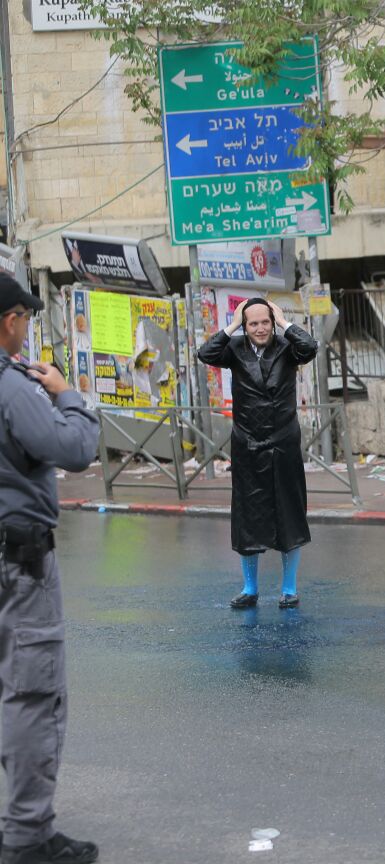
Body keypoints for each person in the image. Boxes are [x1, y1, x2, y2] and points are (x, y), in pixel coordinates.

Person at [0, 274, 101, 864]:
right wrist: (67, 395)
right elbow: (74, 449)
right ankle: (27, 838)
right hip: (18, 562)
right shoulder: (13, 387)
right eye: (26, 319)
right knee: (31, 696)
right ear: (11, 320)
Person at [197, 298, 318, 610]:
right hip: (248, 445)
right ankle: (249, 588)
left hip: (283, 443)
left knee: (289, 514)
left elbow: (310, 347)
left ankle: (289, 589)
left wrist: (284, 322)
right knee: (248, 518)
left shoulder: (287, 346)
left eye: (265, 322)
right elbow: (205, 353)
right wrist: (234, 324)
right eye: (253, 323)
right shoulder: (235, 349)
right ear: (245, 326)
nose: (260, 328)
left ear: (272, 321)